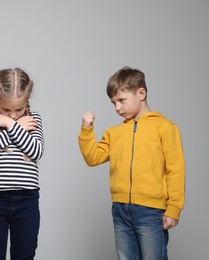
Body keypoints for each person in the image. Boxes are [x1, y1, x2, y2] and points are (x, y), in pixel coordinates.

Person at [78, 66, 185, 260]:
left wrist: (174, 208)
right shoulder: (114, 133)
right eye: (113, 103)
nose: (117, 107)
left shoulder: (165, 127)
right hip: (120, 209)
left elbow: (175, 170)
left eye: (121, 100)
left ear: (141, 93)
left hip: (151, 211)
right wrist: (87, 130)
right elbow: (93, 158)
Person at [0, 68, 44, 260]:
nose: (12, 115)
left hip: (27, 200)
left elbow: (36, 151)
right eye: (6, 110)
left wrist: (12, 126)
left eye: (18, 110)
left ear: (26, 102)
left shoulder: (33, 120)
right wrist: (10, 128)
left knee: (25, 255)